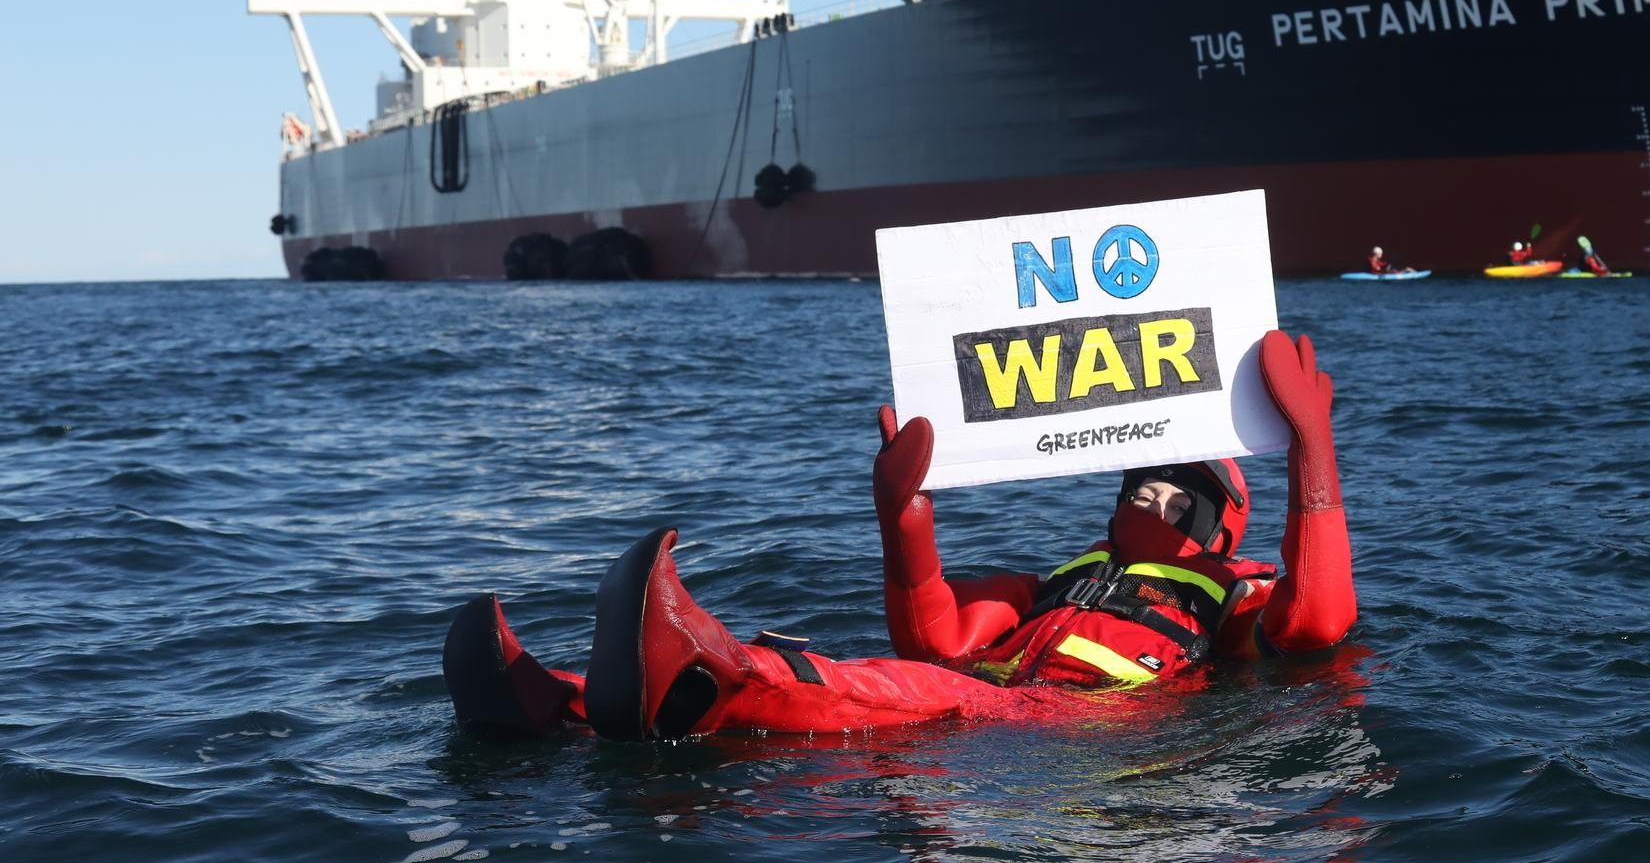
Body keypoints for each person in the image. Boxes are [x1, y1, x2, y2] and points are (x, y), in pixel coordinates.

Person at [443, 328, 1354, 741]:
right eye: (1141, 478)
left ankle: (699, 670)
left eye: (1180, 492)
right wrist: (905, 516)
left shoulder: (1237, 595)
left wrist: (1311, 448)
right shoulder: (1056, 579)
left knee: (890, 690)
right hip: (992, 702)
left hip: (1081, 730)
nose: (1153, 492)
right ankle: (557, 700)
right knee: (901, 682)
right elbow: (938, 635)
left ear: (1217, 524)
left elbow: (1316, 629)